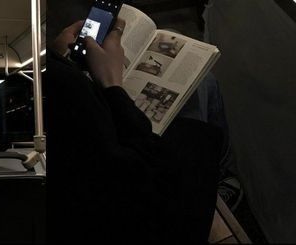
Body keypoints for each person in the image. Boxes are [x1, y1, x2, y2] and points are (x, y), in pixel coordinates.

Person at [45, 19, 223, 243]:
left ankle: (222, 176)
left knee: (171, 34)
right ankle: (221, 181)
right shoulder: (59, 89)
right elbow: (134, 168)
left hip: (102, 180)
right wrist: (112, 83)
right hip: (136, 217)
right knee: (203, 81)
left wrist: (58, 55)